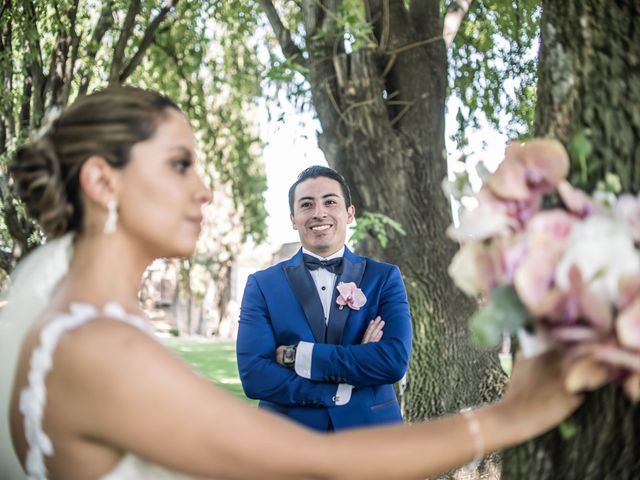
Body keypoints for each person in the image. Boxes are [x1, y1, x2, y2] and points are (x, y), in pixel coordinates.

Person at [0, 85, 583, 480]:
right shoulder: (102, 349)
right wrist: (512, 415)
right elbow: (316, 460)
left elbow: (391, 362)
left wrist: (307, 358)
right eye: (181, 165)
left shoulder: (79, 327)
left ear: (350, 212)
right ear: (103, 182)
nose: (204, 190)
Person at [236, 166, 412, 431]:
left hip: (371, 434)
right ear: (293, 218)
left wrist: (298, 356)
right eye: (307, 205)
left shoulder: (384, 278)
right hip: (290, 437)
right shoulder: (262, 285)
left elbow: (393, 361)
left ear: (349, 213)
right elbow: (255, 377)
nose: (319, 212)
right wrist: (339, 385)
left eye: (330, 202)